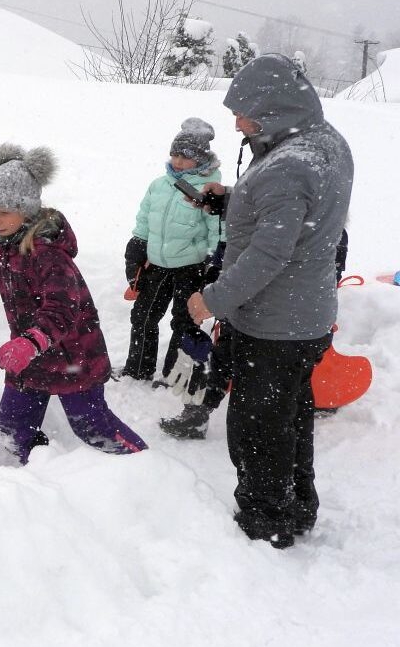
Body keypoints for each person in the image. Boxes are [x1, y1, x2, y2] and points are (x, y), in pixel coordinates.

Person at [185, 54, 353, 549]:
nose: (236, 122)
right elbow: (290, 213)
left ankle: (266, 521)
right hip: (305, 316)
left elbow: (268, 253)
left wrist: (211, 300)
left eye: (244, 112)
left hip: (275, 322)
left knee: (257, 429)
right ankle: (297, 507)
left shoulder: (289, 164)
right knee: (290, 417)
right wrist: (231, 198)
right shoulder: (322, 142)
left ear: (275, 107)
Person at [0, 143, 147, 464]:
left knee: (92, 426)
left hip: (73, 355)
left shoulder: (48, 255)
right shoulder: (6, 242)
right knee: (13, 427)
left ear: (28, 210)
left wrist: (30, 342)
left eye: (4, 211)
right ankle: (42, 477)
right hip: (32, 358)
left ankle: (146, 467)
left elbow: (61, 311)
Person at [160, 229, 350, 440]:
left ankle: (281, 432)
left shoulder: (328, 231)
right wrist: (215, 288)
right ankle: (198, 414)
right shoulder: (263, 221)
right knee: (223, 358)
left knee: (282, 376)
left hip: (291, 320)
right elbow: (228, 256)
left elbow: (327, 277)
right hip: (246, 310)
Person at [121, 118, 222, 383]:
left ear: (200, 159)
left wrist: (213, 264)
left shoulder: (209, 190)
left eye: (185, 157)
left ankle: (172, 377)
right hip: (156, 265)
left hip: (190, 267)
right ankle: (137, 369)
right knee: (142, 317)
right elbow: (145, 220)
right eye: (174, 154)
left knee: (184, 323)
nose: (177, 161)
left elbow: (217, 230)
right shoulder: (158, 185)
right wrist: (136, 249)